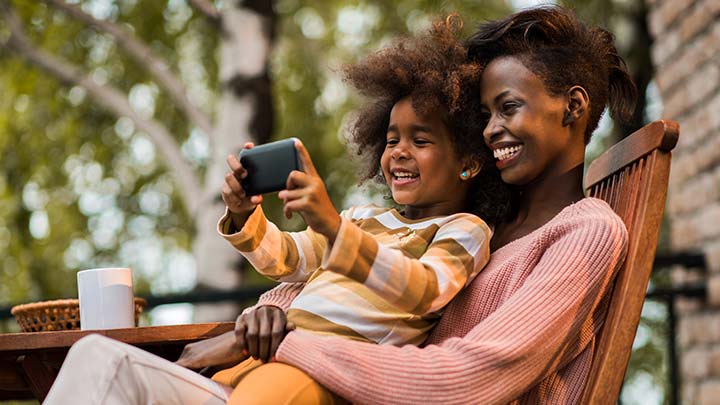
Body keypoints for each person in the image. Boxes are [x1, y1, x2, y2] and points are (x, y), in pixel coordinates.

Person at [43, 17, 511, 405]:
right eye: (391, 140)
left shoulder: (463, 230)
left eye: (421, 140)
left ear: (469, 162)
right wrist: (246, 215)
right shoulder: (364, 217)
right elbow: (285, 259)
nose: (398, 152)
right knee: (98, 358)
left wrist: (332, 227)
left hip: (323, 376)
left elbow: (423, 291)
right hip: (260, 360)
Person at [190, 5, 635, 404]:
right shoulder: (485, 220)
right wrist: (264, 316)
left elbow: (466, 381)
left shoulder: (583, 232)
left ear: (573, 106)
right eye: (484, 117)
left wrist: (284, 342)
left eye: (508, 108)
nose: (490, 132)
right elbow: (318, 285)